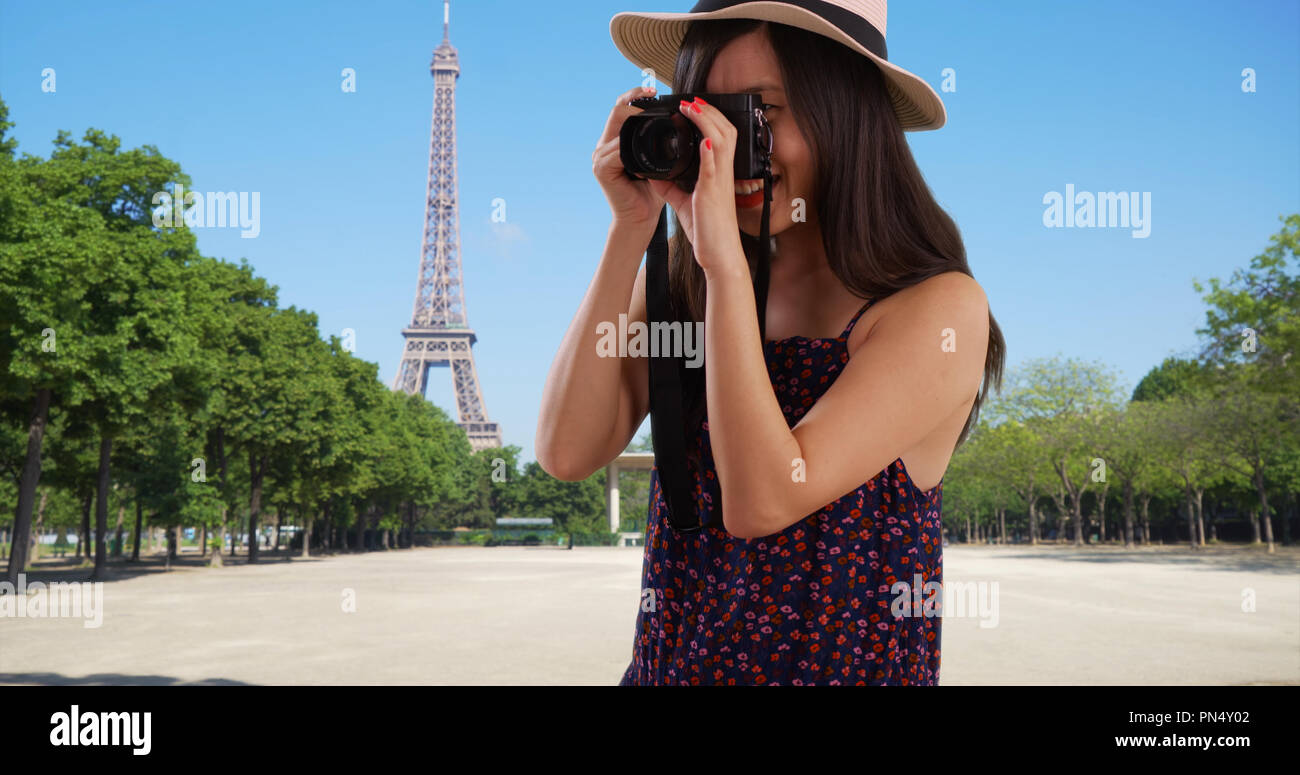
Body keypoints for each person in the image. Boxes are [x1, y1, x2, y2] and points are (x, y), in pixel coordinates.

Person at [536, 0, 1005, 685]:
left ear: (847, 113)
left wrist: (726, 268)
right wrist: (631, 231)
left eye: (760, 114)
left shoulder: (935, 310)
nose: (728, 146)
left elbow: (762, 500)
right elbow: (567, 450)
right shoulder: (688, 280)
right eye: (708, 115)